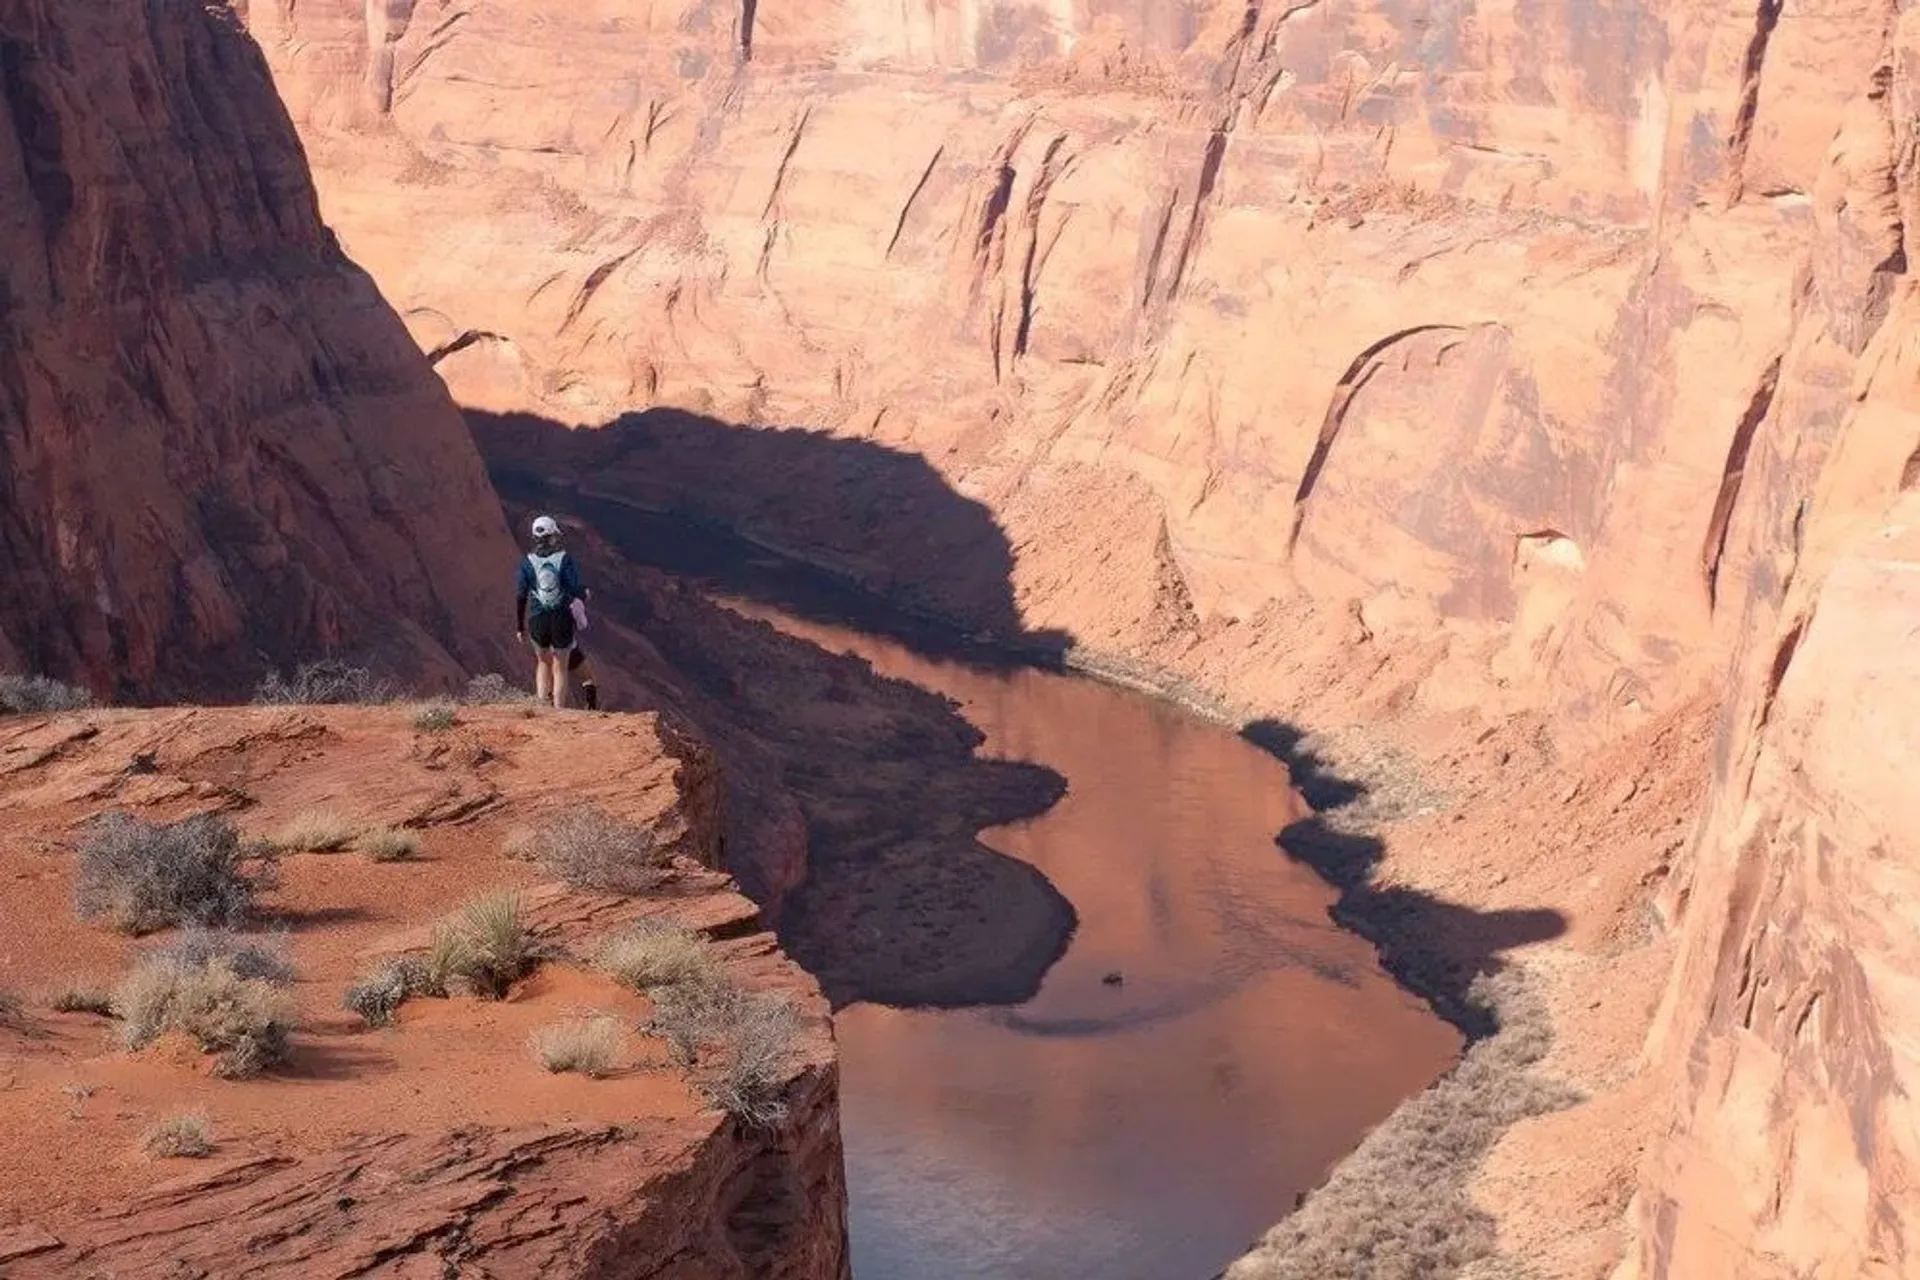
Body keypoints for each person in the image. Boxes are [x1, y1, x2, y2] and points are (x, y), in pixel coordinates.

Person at [514, 514, 584, 707]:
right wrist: (583, 596)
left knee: (542, 663)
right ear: (553, 536)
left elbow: (521, 596)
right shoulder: (565, 559)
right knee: (560, 666)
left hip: (537, 619)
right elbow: (576, 588)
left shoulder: (527, 562)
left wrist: (520, 627)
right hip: (561, 618)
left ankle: (541, 708)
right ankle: (558, 711)